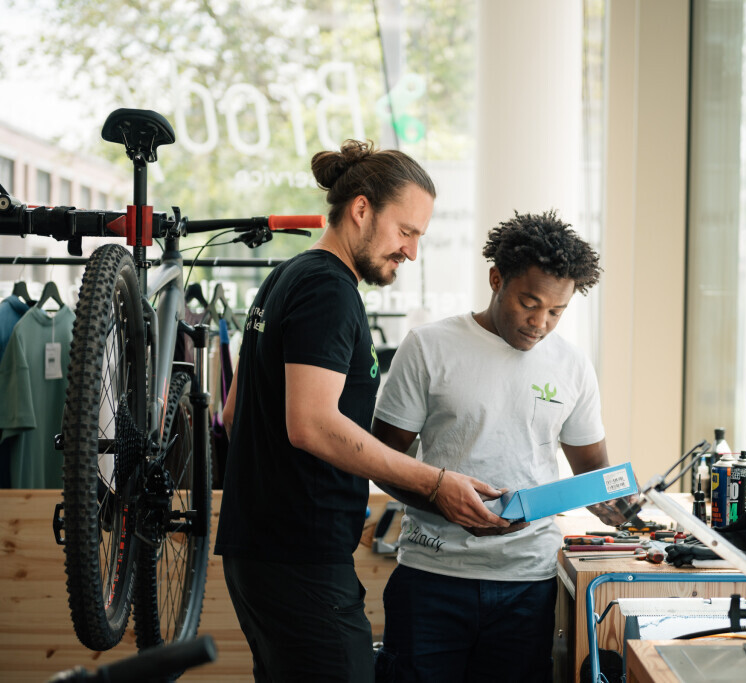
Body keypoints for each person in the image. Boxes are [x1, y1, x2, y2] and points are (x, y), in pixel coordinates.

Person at [214, 140, 510, 683]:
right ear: (360, 209)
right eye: (407, 231)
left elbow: (233, 417)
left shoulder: (284, 278)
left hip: (262, 555)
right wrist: (434, 481)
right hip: (299, 560)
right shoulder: (330, 290)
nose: (412, 252)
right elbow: (311, 424)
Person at [371, 210, 627, 683]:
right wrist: (438, 496)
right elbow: (382, 461)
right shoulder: (428, 347)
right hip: (431, 577)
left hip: (526, 586)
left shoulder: (572, 366)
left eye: (557, 311)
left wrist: (621, 505)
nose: (541, 323)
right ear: (496, 279)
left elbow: (596, 474)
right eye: (530, 303)